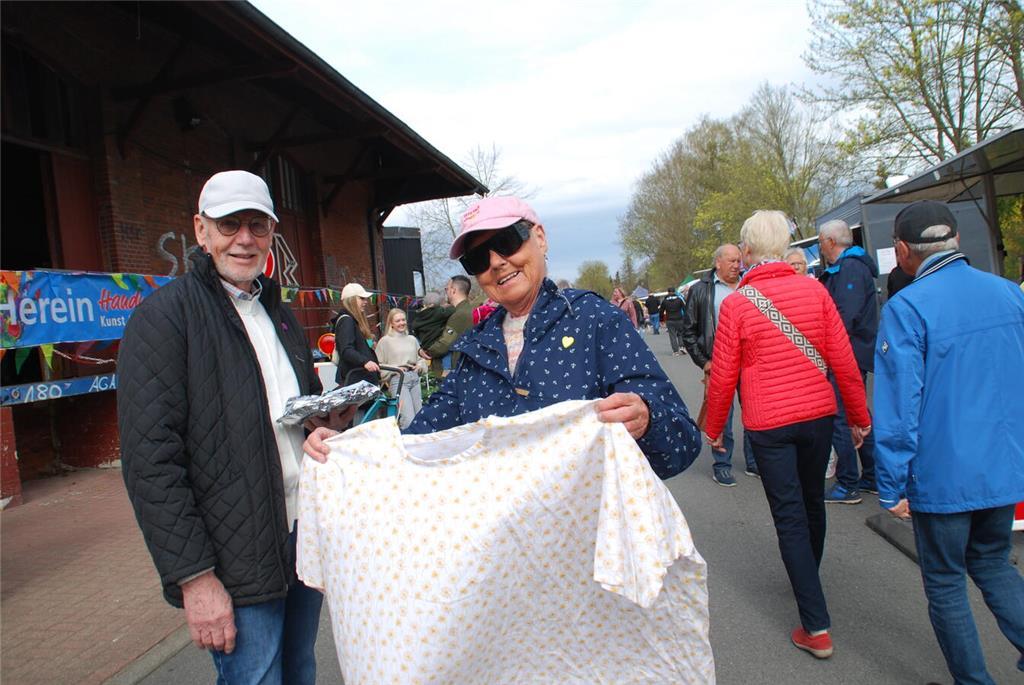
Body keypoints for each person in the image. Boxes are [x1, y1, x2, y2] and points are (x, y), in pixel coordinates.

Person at [118, 170, 348, 684]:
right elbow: (151, 463)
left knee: (300, 671)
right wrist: (194, 579)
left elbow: (297, 415)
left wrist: (319, 429)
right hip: (233, 557)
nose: (244, 239)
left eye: (257, 225)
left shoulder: (280, 317)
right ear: (201, 231)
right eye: (229, 225)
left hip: (300, 537)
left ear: (271, 233)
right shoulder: (164, 320)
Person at [306, 195, 702, 482]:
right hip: (504, 559)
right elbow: (418, 442)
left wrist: (647, 419)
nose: (496, 262)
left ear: (539, 238)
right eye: (479, 258)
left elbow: (681, 445)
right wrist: (345, 448)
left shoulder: (595, 321)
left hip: (591, 553)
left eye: (508, 241)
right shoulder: (475, 348)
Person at [703, 210, 871, 660]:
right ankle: (807, 578)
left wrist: (715, 428)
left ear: (747, 250)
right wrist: (859, 416)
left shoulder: (737, 304)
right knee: (813, 501)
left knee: (789, 515)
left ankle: (815, 624)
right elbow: (843, 361)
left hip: (769, 422)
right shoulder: (815, 290)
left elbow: (723, 376)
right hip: (818, 415)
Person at [873, 200, 1024, 685]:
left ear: (902, 250)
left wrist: (892, 483)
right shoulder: (1009, 293)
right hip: (1003, 465)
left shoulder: (907, 308)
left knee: (944, 581)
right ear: (955, 239)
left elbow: (899, 406)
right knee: (993, 563)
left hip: (942, 473)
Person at [682, 244, 757, 485]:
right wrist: (704, 362)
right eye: (731, 261)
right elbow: (688, 332)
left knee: (753, 413)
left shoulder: (750, 284)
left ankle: (754, 461)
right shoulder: (701, 290)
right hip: (719, 364)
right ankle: (722, 464)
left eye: (738, 261)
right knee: (722, 415)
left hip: (751, 363)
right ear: (718, 263)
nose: (737, 265)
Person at [817, 219, 879, 505]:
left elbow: (843, 317)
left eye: (821, 242)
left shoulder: (850, 268)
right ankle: (871, 475)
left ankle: (848, 482)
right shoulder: (849, 268)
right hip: (854, 352)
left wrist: (827, 349)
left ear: (831, 242)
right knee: (857, 413)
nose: (820, 247)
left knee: (841, 417)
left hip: (847, 355)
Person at [374, 308, 426, 429]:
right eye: (398, 321)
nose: (402, 323)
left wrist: (419, 366)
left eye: (403, 320)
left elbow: (420, 359)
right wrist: (396, 368)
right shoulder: (385, 341)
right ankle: (405, 439)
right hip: (398, 380)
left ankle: (417, 440)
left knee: (419, 416)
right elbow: (378, 365)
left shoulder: (412, 339)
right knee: (408, 419)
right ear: (391, 323)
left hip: (414, 377)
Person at [422, 274, 474, 376]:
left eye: (447, 289)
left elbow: (444, 344)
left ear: (453, 290)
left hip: (455, 371)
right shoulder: (471, 310)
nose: (446, 292)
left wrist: (426, 352)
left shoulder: (459, 315)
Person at [333, 282, 380, 387]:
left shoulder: (356, 321)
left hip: (362, 378)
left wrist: (370, 345)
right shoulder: (347, 320)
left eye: (365, 299)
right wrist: (365, 361)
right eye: (361, 298)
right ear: (351, 300)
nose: (366, 302)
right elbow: (346, 349)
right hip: (355, 379)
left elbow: (361, 344)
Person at [659, 287, 686, 354]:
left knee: (672, 335)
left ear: (668, 292)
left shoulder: (665, 301)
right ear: (675, 292)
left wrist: (661, 320)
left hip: (669, 319)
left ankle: (675, 351)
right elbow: (685, 309)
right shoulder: (679, 300)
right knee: (680, 333)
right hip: (679, 319)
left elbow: (661, 311)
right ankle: (682, 346)